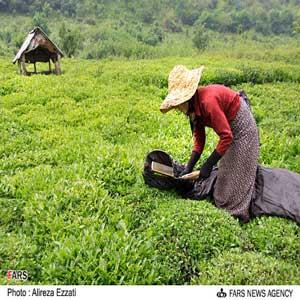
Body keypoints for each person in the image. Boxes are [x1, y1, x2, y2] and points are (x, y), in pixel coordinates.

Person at [160, 65, 259, 222]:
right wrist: (188, 167)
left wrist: (206, 166)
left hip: (242, 129)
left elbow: (226, 136)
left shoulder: (208, 102)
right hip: (230, 131)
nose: (178, 108)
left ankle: (240, 211)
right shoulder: (193, 109)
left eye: (178, 104)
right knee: (223, 185)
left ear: (187, 98)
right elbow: (199, 141)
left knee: (232, 193)